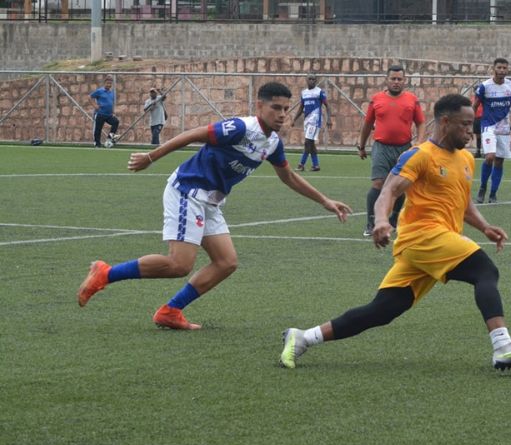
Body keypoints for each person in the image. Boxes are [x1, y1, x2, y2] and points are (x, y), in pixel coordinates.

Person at [279, 94, 511, 371]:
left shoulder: (467, 159)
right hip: (422, 236)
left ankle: (303, 337)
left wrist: (485, 227)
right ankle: (503, 346)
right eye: (465, 125)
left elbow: (464, 205)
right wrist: (381, 220)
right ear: (445, 122)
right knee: (485, 271)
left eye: (473, 125)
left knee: (383, 310)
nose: (471, 131)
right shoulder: (419, 155)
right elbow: (389, 190)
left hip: (432, 243)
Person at [76, 82, 352, 330]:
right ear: (260, 106)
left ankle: (170, 311)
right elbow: (193, 134)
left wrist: (325, 201)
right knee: (178, 264)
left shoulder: (272, 143)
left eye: (285, 109)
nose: (281, 114)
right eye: (275, 108)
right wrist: (151, 156)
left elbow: (288, 177)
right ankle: (106, 273)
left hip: (210, 201)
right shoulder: (242, 128)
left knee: (226, 262)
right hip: (188, 189)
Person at [356, 65, 426, 237]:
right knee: (378, 184)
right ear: (387, 80)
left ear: (404, 81)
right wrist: (362, 146)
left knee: (400, 187)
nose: (396, 82)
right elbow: (367, 125)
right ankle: (372, 223)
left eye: (399, 79)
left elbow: (421, 123)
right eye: (393, 79)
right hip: (381, 147)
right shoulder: (376, 99)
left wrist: (418, 143)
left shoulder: (412, 99)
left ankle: (394, 219)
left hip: (404, 148)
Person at [473, 58, 511, 204]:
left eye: (504, 68)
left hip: (504, 127)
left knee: (499, 161)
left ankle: (493, 194)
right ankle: (482, 187)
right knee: (490, 157)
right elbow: (474, 105)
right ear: (493, 69)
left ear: (507, 70)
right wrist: (468, 124)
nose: (502, 71)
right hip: (488, 125)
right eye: (499, 68)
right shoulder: (485, 87)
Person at [292, 74, 332, 172]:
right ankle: (316, 165)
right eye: (309, 79)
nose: (311, 81)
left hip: (315, 120)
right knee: (311, 144)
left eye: (313, 79)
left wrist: (329, 119)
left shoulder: (319, 92)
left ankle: (301, 164)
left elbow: (327, 105)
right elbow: (301, 107)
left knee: (307, 142)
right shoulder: (304, 93)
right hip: (307, 121)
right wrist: (294, 119)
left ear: (316, 80)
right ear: (306, 80)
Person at [90, 76, 120, 148]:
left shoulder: (111, 93)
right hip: (100, 113)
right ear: (104, 83)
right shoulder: (99, 91)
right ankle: (97, 144)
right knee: (98, 129)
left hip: (109, 114)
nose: (109, 85)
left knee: (116, 122)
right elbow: (90, 97)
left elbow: (111, 102)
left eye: (110, 83)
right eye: (107, 83)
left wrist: (113, 111)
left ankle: (109, 138)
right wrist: (95, 105)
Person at [472, 94, 484, 158]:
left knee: (485, 134)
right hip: (476, 118)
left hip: (483, 118)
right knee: (478, 135)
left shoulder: (484, 98)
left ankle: (486, 152)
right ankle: (478, 151)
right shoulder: (473, 98)